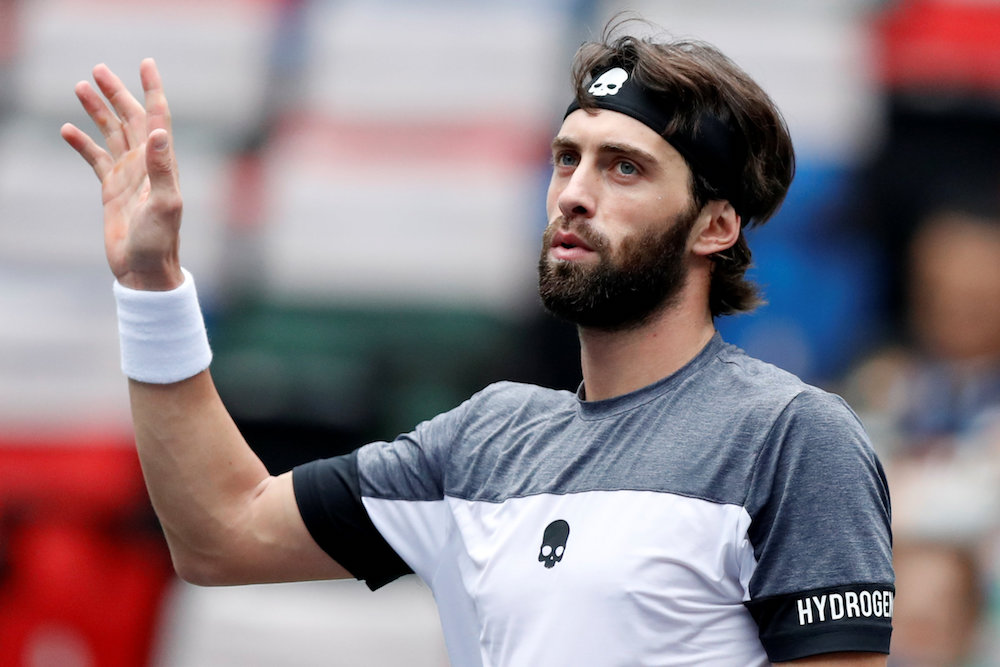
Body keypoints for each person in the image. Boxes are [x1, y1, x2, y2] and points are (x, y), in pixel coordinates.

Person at [60, 20, 893, 666]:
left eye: (623, 167)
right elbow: (220, 532)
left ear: (716, 225)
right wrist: (152, 283)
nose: (573, 193)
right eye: (567, 159)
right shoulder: (483, 440)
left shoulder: (793, 436)